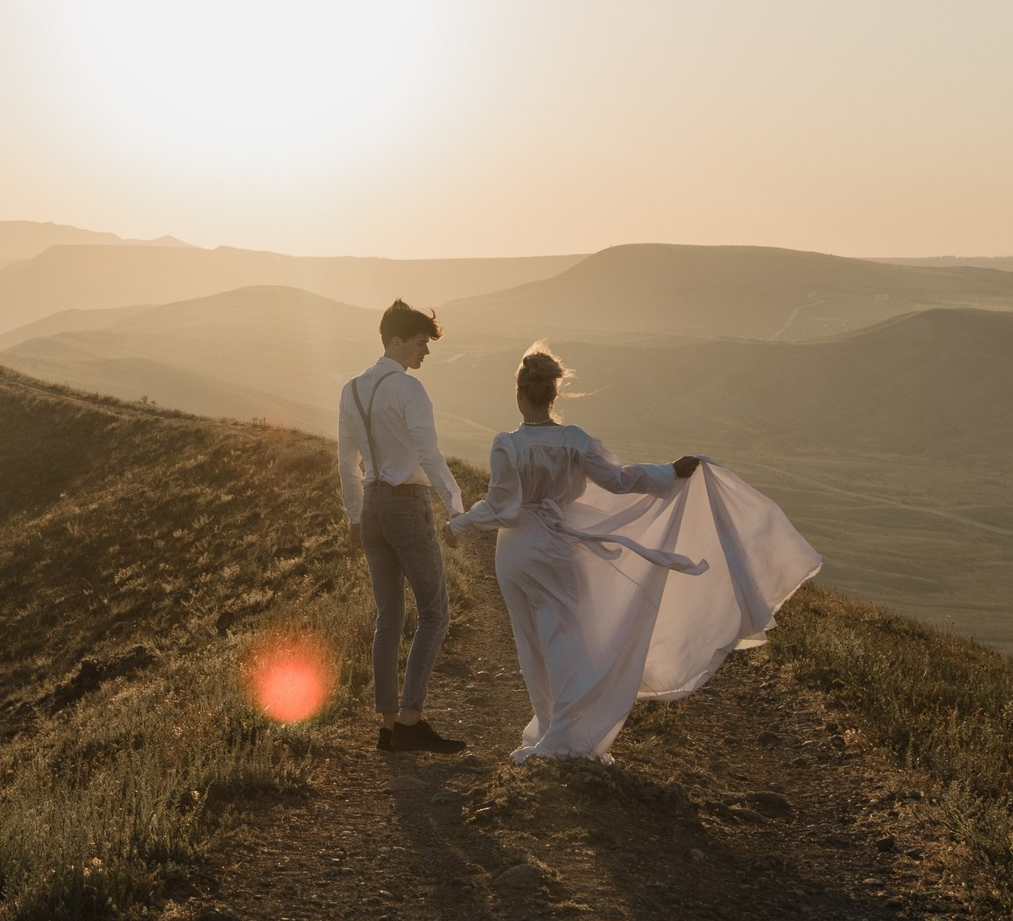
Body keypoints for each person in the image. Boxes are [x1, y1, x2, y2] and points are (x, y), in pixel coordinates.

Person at [448, 345, 822, 762]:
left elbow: (501, 507)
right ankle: (565, 734)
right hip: (557, 547)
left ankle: (550, 728)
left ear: (518, 394)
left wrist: (458, 524)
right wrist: (668, 473)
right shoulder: (576, 441)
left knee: (530, 641)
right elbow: (620, 482)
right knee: (567, 639)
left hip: (516, 551)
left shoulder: (507, 445)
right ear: (554, 396)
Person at [337, 299, 467, 754]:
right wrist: (456, 506)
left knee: (388, 618)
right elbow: (429, 455)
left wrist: (354, 516)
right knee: (434, 612)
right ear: (395, 341)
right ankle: (411, 719)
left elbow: (346, 462)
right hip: (407, 505)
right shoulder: (410, 391)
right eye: (419, 344)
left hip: (372, 505)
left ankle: (389, 726)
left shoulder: (351, 388)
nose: (425, 353)